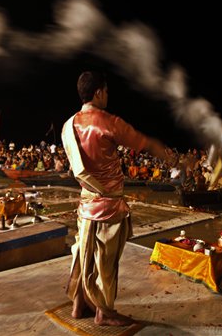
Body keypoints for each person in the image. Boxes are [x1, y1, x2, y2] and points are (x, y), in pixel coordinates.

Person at [61, 71, 177, 326]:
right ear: (99, 92)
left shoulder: (67, 125)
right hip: (108, 207)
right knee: (106, 262)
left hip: (85, 205)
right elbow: (143, 143)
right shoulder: (108, 122)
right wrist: (169, 157)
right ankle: (104, 313)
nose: (108, 96)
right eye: (107, 91)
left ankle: (79, 304)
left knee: (84, 254)